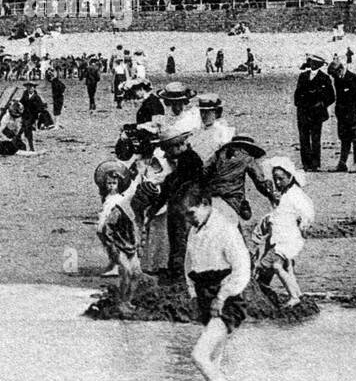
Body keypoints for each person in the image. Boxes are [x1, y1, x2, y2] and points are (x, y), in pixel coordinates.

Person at [182, 187, 251, 381]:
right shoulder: (195, 230)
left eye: (191, 213)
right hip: (204, 295)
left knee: (199, 355)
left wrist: (222, 296)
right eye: (185, 215)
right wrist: (193, 295)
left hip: (227, 299)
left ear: (205, 204)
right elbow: (188, 265)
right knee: (213, 359)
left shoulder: (226, 229)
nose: (188, 219)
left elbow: (242, 268)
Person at [252, 157, 316, 307]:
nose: (278, 182)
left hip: (288, 237)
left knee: (276, 265)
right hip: (283, 236)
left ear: (290, 177)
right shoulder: (287, 194)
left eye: (281, 179)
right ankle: (297, 292)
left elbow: (307, 212)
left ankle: (294, 296)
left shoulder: (295, 194)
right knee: (287, 266)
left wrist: (302, 225)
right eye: (276, 179)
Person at [154, 125, 205, 281]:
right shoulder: (190, 158)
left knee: (179, 240)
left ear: (177, 146)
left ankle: (178, 274)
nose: (167, 154)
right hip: (187, 206)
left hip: (183, 207)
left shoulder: (188, 160)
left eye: (168, 151)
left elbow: (176, 183)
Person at [94, 160, 143, 304]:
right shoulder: (112, 201)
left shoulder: (122, 200)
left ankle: (129, 298)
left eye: (114, 183)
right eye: (108, 184)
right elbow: (106, 224)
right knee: (127, 271)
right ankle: (124, 299)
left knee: (135, 272)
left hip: (127, 238)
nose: (111, 186)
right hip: (119, 239)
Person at [203, 133, 276, 221]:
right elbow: (259, 180)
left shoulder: (219, 154)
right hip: (233, 197)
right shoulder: (247, 158)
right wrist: (270, 193)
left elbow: (204, 170)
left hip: (211, 194)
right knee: (245, 219)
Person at [293, 54, 334, 172]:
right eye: (311, 62)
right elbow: (297, 93)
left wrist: (322, 104)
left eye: (314, 62)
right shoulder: (303, 76)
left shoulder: (325, 78)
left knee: (316, 138)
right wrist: (300, 106)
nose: (311, 64)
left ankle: (315, 163)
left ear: (318, 64)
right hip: (303, 112)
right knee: (304, 138)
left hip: (316, 113)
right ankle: (306, 163)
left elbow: (331, 96)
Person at [330, 59, 356, 172]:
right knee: (344, 138)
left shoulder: (355, 78)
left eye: (334, 74)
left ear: (340, 69)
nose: (334, 77)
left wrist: (354, 111)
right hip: (343, 114)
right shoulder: (337, 79)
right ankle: (342, 163)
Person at [189, 94, 234, 164]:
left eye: (207, 112)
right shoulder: (196, 131)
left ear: (216, 113)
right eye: (202, 112)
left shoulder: (223, 131)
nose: (203, 116)